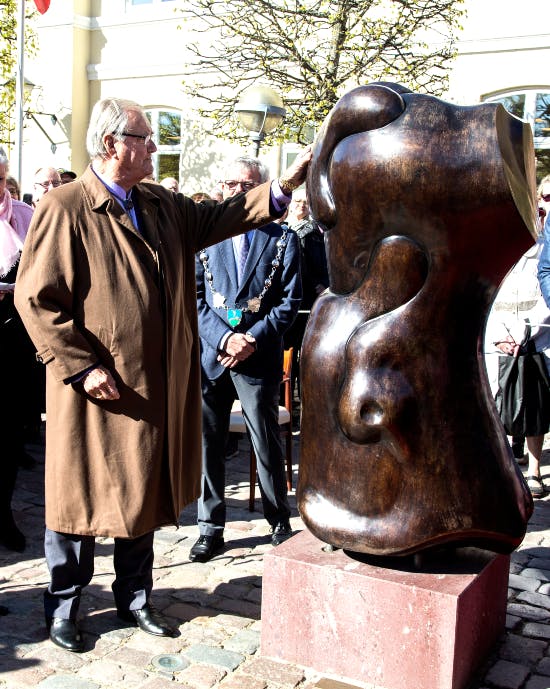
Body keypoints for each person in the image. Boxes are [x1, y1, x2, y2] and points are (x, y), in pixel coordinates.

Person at [14, 97, 310, 653]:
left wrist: (280, 189)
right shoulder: (67, 206)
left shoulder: (160, 204)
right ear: (111, 145)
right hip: (94, 391)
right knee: (78, 499)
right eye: (144, 137)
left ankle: (135, 596)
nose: (154, 145)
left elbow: (221, 217)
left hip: (150, 386)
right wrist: (81, 367)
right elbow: (38, 300)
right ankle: (65, 604)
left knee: (142, 491)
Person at [190, 156, 302, 563]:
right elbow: (194, 297)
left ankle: (278, 518)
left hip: (258, 356)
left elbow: (290, 302)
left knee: (265, 440)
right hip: (213, 356)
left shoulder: (282, 239)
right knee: (209, 443)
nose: (237, 191)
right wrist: (223, 338)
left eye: (246, 184)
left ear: (261, 188)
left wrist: (250, 338)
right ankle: (210, 526)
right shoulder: (205, 239)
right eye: (231, 184)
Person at [486, 216, 550, 497]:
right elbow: (484, 295)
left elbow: (546, 295)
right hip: (498, 341)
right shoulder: (493, 249)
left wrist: (525, 331)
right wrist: (500, 335)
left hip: (535, 338)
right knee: (497, 403)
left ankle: (534, 470)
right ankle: (505, 465)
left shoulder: (541, 249)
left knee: (535, 405)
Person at [0, 147, 34, 552]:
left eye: (4, 179)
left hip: (13, 338)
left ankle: (4, 513)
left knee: (8, 437)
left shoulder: (24, 217)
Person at [284, 189, 328, 397]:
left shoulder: (315, 233)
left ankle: (303, 399)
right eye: (297, 201)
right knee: (287, 353)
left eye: (305, 202)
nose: (301, 205)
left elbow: (319, 264)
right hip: (288, 298)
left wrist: (321, 284)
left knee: (306, 351)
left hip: (310, 299)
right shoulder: (282, 229)